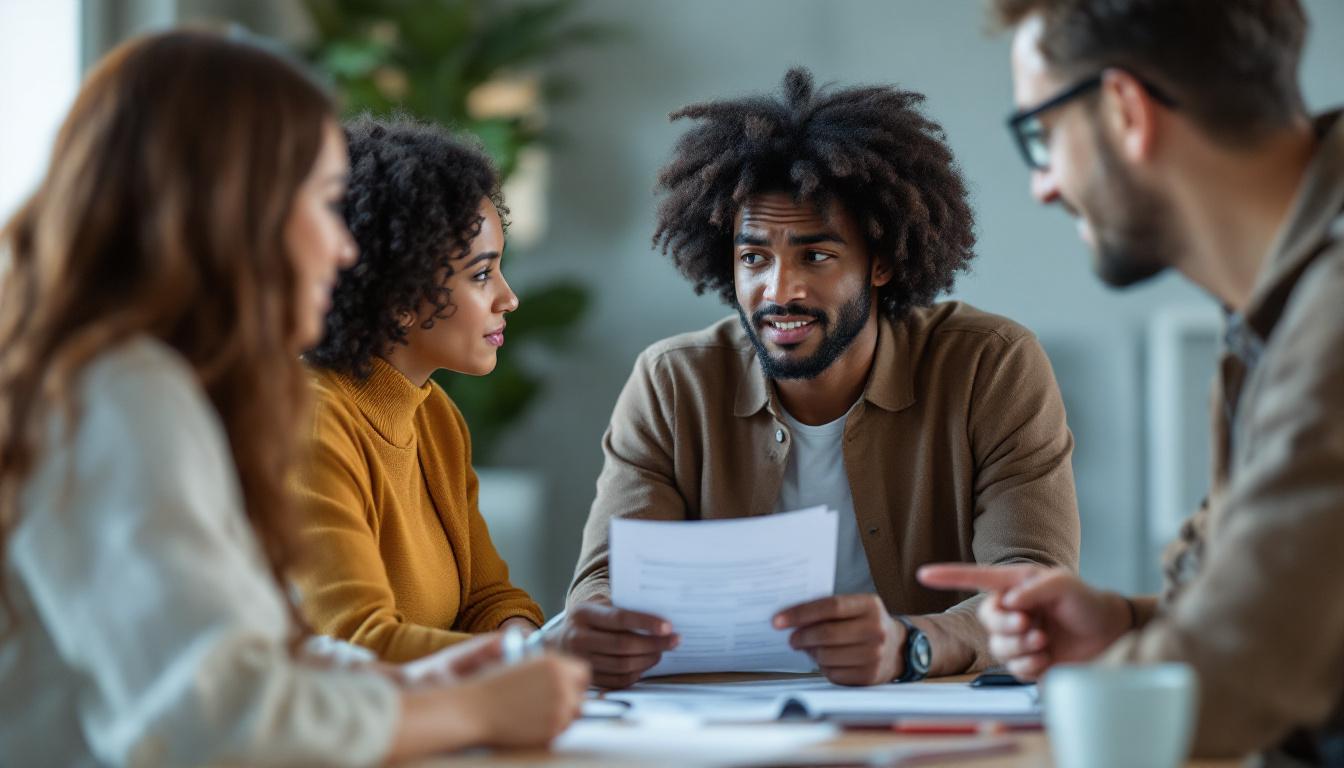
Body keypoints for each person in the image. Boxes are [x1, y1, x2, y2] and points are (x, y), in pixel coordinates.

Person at [0, 31, 585, 766]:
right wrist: (467, 707)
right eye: (320, 200)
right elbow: (215, 722)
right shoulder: (120, 395)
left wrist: (414, 684)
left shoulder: (149, 386)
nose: (343, 249)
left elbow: (253, 651)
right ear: (232, 210)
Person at [555, 67, 1082, 689]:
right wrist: (599, 625)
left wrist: (910, 645)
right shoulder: (674, 383)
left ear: (881, 262)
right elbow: (605, 579)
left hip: (917, 714)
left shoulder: (990, 365)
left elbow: (1032, 586)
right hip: (717, 720)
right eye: (755, 257)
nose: (780, 291)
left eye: (817, 256)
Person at [919, 0, 1344, 762]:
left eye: (1043, 136)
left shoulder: (1333, 314)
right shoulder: (1278, 309)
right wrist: (1123, 622)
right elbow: (1275, 603)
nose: (1043, 185)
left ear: (1124, 111)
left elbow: (1230, 677)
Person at [292, 117, 543, 663]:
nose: (509, 298)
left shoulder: (435, 416)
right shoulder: (310, 423)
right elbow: (356, 644)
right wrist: (521, 664)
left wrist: (528, 646)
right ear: (402, 298)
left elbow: (489, 599)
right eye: (482, 275)